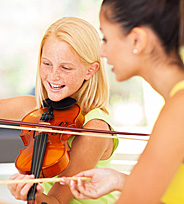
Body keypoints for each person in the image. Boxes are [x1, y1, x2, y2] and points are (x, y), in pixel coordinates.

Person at [0, 17, 118, 204]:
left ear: (90, 71)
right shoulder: (36, 110)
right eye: (47, 64)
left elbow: (56, 201)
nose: (53, 76)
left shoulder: (95, 128)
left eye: (65, 68)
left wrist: (31, 195)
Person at [61, 0, 184, 203]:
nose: (102, 51)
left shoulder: (178, 110)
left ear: (136, 40)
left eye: (106, 38)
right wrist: (121, 180)